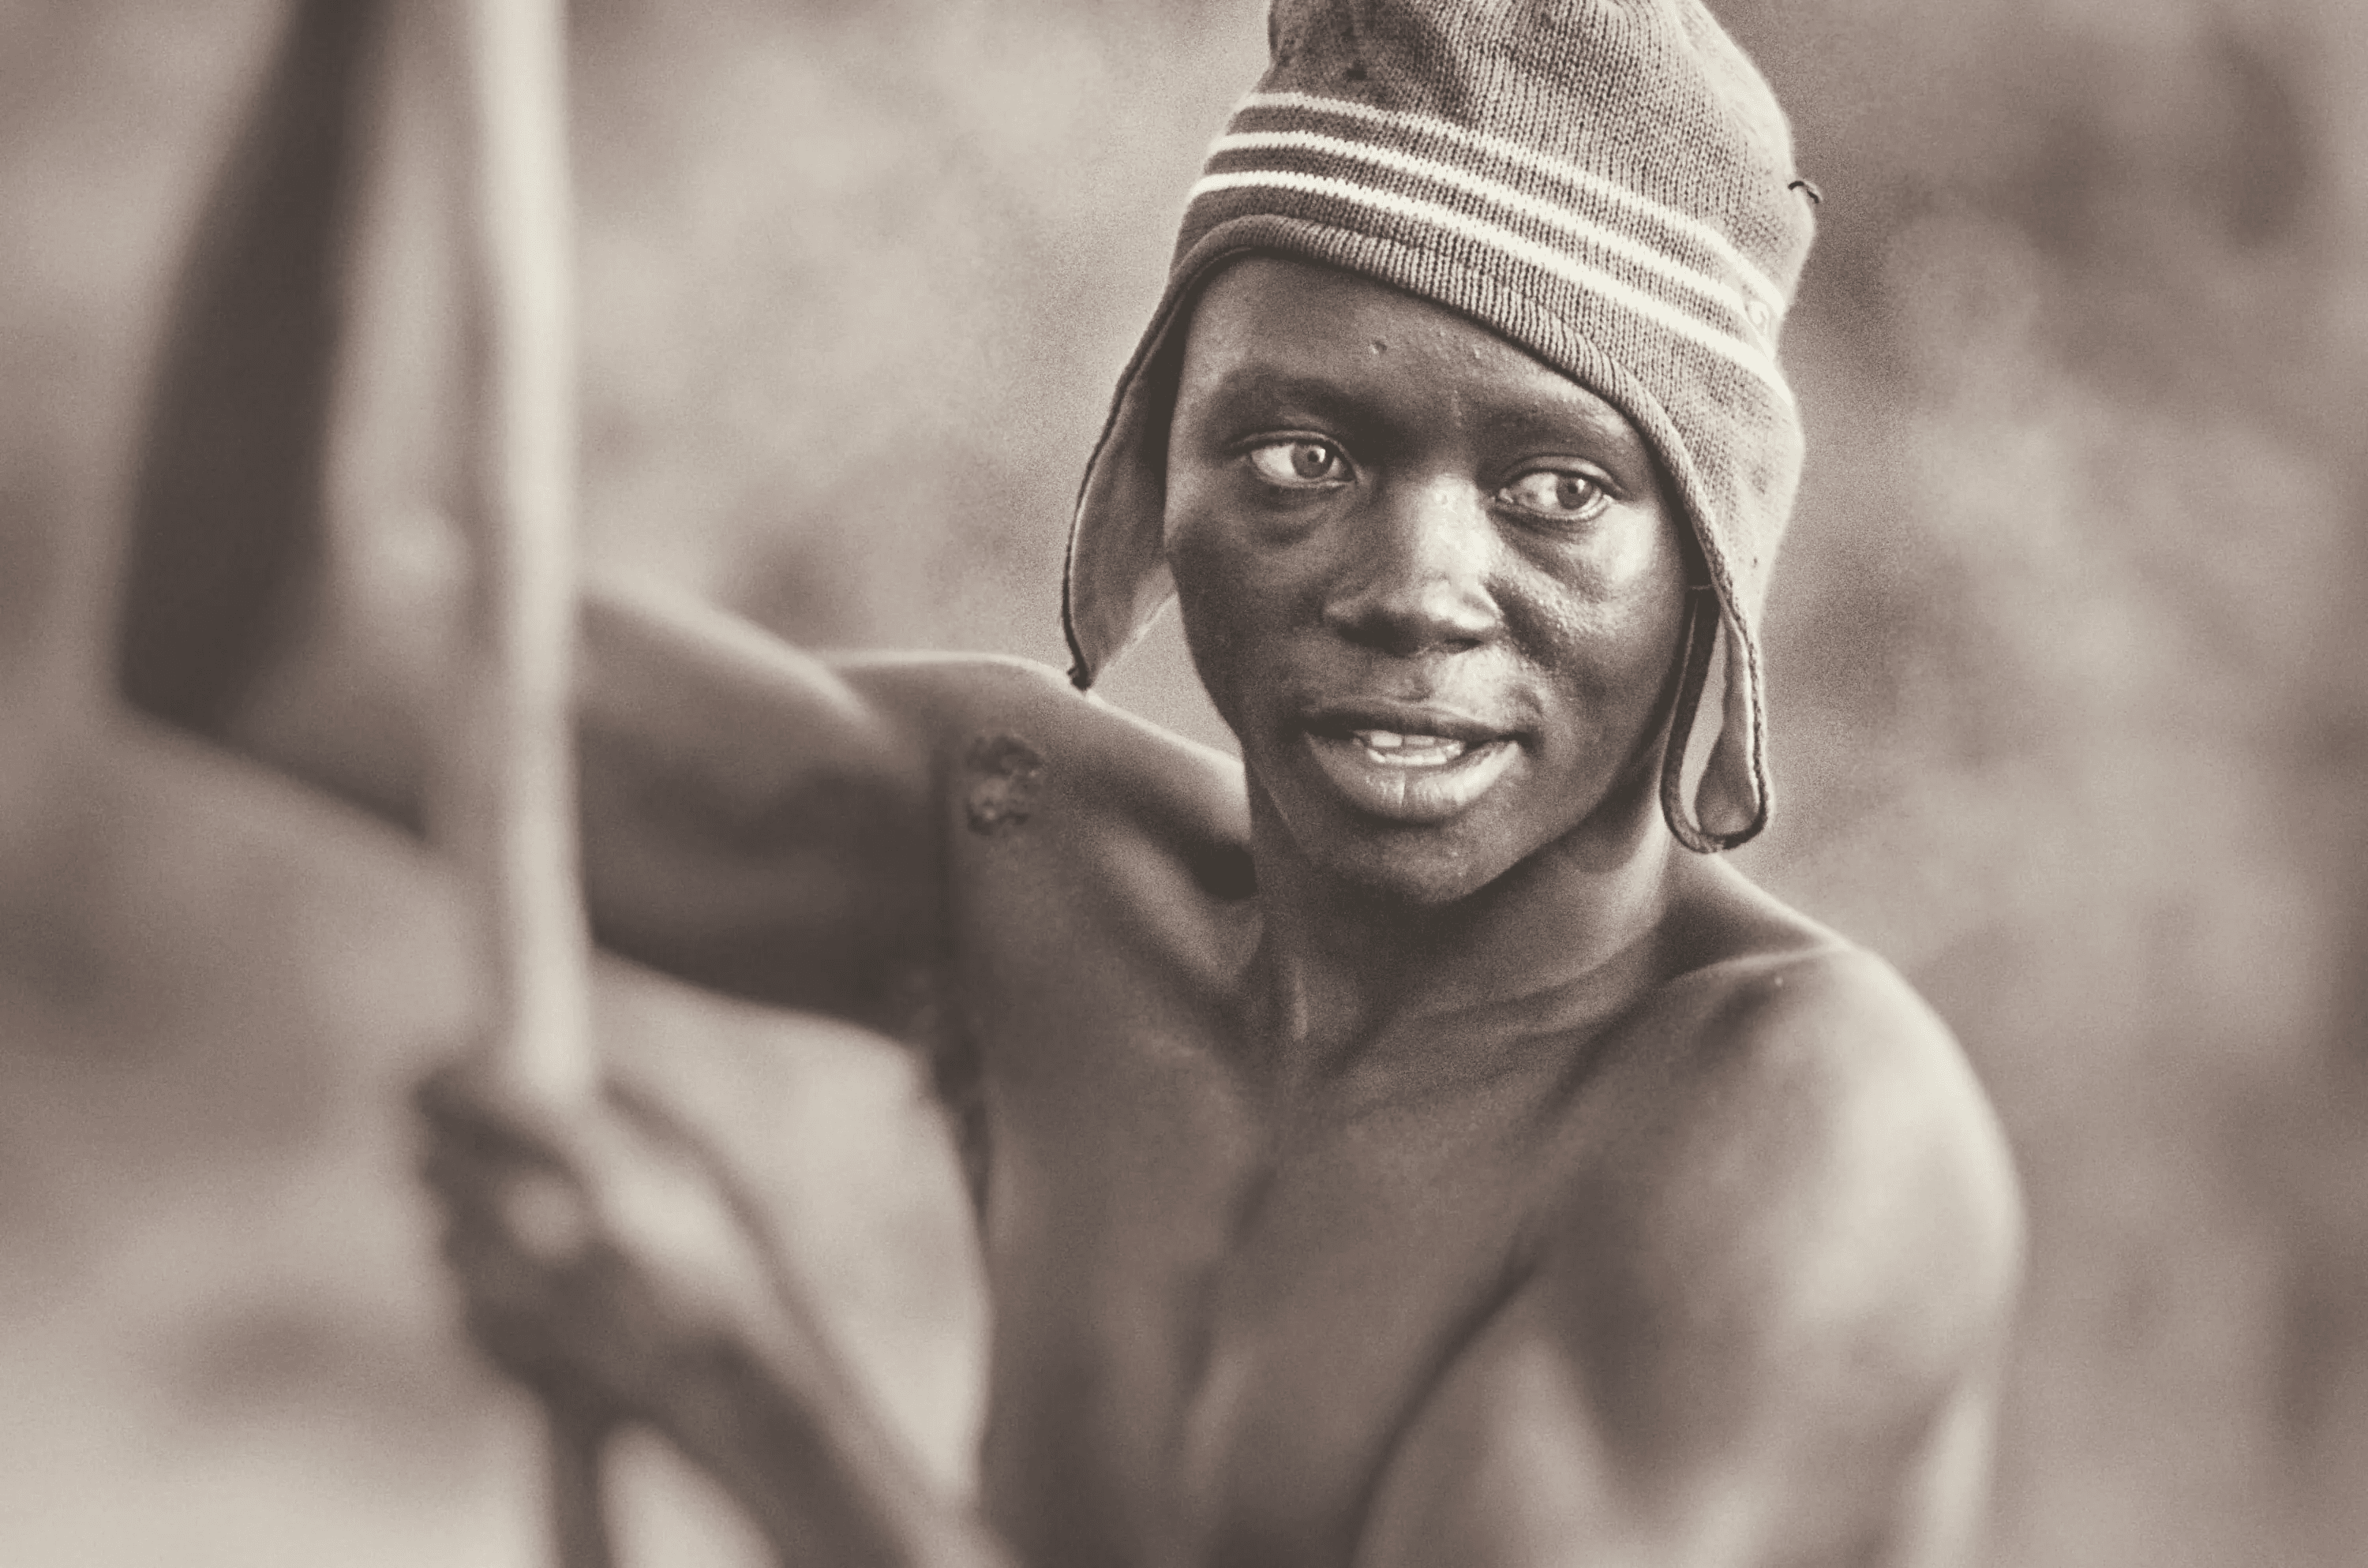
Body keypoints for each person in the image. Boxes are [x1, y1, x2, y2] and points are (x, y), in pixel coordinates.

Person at [249, 2, 2025, 1563]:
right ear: (1148, 495)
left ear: (1710, 566)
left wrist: (736, 1383)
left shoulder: (1802, 1129)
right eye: (1303, 453)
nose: (1414, 583)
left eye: (1555, 488)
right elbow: (268, 632)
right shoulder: (1038, 866)